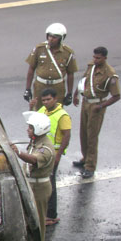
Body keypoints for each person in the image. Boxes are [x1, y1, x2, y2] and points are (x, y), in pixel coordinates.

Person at [72, 46, 121, 179]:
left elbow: (116, 96)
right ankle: (85, 158)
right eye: (94, 57)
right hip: (86, 103)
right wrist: (76, 94)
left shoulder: (110, 74)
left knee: (92, 137)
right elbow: (84, 80)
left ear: (105, 58)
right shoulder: (91, 66)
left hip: (97, 106)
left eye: (98, 58)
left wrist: (101, 106)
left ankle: (90, 166)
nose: (95, 59)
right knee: (83, 133)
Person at [11, 112, 55, 241]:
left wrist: (19, 153)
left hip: (39, 187)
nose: (27, 130)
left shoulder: (45, 148)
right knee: (28, 218)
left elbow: (34, 159)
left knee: (38, 220)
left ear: (38, 129)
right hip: (32, 184)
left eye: (30, 128)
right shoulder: (36, 142)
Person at [31, 88, 71, 226]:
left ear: (55, 99)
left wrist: (59, 154)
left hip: (52, 153)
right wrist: (31, 107)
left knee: (50, 183)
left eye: (48, 99)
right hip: (42, 151)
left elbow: (66, 136)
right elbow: (33, 124)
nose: (46, 102)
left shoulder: (62, 115)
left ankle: (51, 215)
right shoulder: (42, 110)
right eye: (44, 100)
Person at [24, 23, 77, 110]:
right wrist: (27, 89)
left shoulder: (68, 53)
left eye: (54, 37)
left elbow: (70, 74)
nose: (51, 39)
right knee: (38, 111)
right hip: (40, 86)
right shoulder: (39, 49)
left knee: (57, 111)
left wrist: (69, 93)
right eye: (49, 36)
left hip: (57, 87)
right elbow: (31, 68)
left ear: (61, 38)